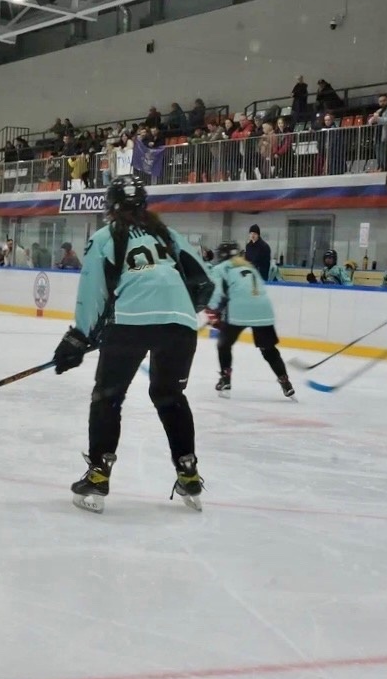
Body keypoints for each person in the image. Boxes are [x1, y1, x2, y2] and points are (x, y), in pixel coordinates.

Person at [52, 173, 211, 514]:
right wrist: (174, 310)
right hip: (181, 323)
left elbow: (92, 289)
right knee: (170, 396)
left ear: (110, 207)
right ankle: (189, 473)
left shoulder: (105, 236)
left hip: (130, 321)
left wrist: (79, 335)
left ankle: (98, 476)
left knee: (108, 396)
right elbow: (204, 281)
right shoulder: (167, 234)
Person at [206, 243, 294, 399]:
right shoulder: (250, 267)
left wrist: (212, 311)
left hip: (239, 309)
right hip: (263, 308)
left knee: (224, 345)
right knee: (268, 349)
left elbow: (217, 292)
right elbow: (256, 289)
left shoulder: (220, 269)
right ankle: (285, 381)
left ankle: (225, 378)